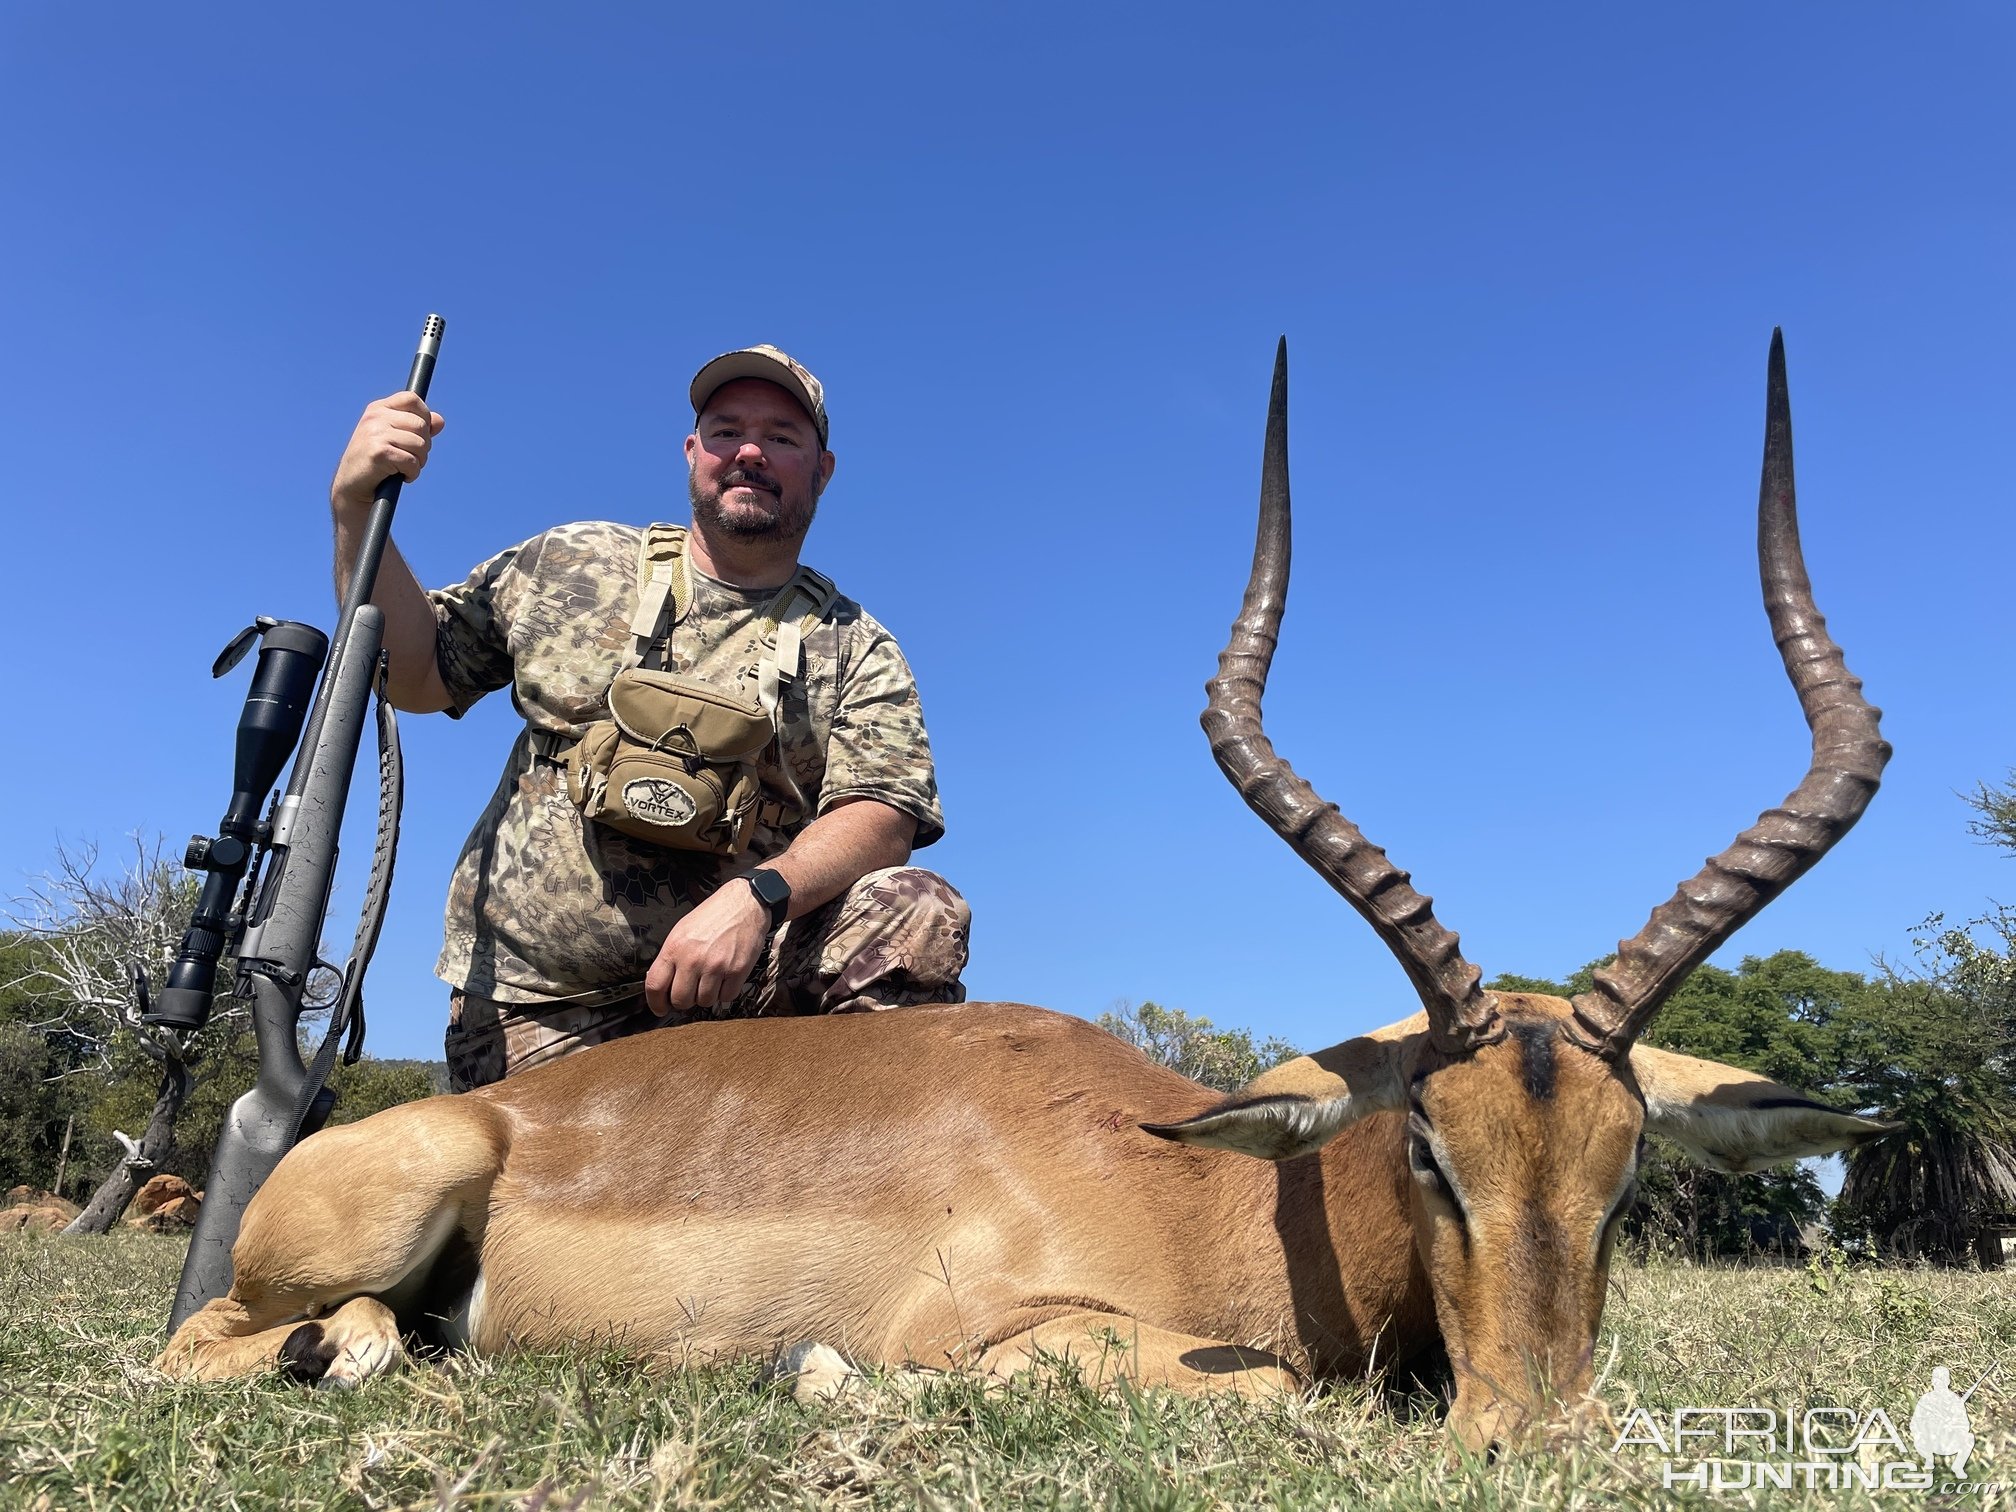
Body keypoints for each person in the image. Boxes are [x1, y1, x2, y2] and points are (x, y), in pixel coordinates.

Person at [328, 344, 969, 1090]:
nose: (750, 451)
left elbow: (884, 815)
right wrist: (352, 508)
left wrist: (756, 897)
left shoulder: (859, 646)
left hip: (745, 998)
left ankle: (849, 1178)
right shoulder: (569, 560)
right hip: (540, 1005)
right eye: (726, 430)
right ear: (693, 451)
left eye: (784, 438)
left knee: (915, 910)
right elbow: (419, 676)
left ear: (822, 471)